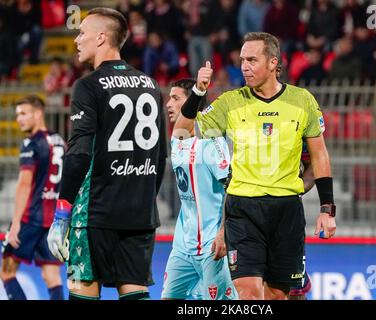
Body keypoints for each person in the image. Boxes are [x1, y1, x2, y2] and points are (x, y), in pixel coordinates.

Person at [174, 32, 336, 300]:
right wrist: (199, 91)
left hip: (286, 210)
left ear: (273, 63)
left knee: (278, 296)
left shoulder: (302, 100)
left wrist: (327, 209)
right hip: (243, 210)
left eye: (252, 59)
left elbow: (319, 155)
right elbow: (186, 128)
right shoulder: (230, 102)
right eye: (241, 60)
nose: (244, 66)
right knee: (248, 294)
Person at [46, 8, 167, 300]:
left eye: (82, 32)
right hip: (140, 213)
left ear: (101, 38)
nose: (76, 40)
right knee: (135, 292)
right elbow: (160, 154)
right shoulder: (150, 85)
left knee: (84, 291)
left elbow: (79, 153)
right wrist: (145, 198)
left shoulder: (88, 86)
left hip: (95, 213)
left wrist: (62, 212)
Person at [161, 78, 237, 300]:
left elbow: (231, 189)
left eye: (175, 98)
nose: (168, 104)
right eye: (169, 97)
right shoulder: (177, 141)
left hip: (211, 245)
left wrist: (224, 233)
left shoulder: (212, 143)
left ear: (192, 104)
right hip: (183, 245)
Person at [0, 95, 65, 300]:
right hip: (53, 219)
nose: (19, 119)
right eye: (17, 114)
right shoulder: (60, 141)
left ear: (38, 114)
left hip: (30, 217)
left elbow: (24, 184)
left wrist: (17, 222)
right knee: (52, 277)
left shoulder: (30, 143)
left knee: (7, 271)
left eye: (23, 113)